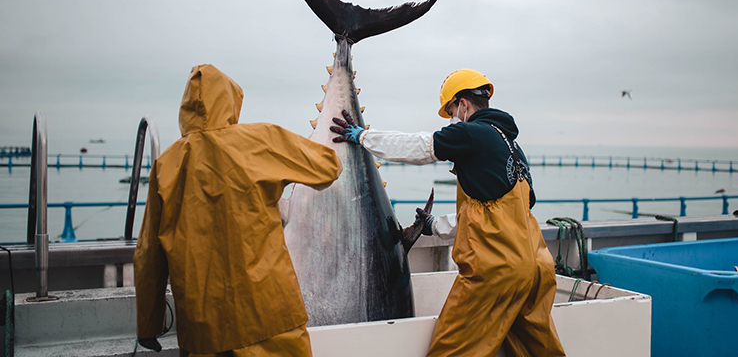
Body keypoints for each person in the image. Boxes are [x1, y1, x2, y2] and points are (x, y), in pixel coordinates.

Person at [331, 69, 565, 357]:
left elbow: (419, 146)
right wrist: (434, 227)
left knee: (451, 351)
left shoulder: (470, 133)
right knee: (538, 351)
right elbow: (501, 214)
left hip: (496, 272)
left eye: (452, 110)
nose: (453, 118)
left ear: (463, 105)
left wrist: (364, 137)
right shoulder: (514, 149)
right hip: (537, 269)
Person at [134, 64, 342, 356]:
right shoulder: (261, 140)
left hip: (203, 329)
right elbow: (329, 167)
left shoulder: (165, 165)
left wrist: (148, 325)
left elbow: (147, 256)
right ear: (232, 102)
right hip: (271, 315)